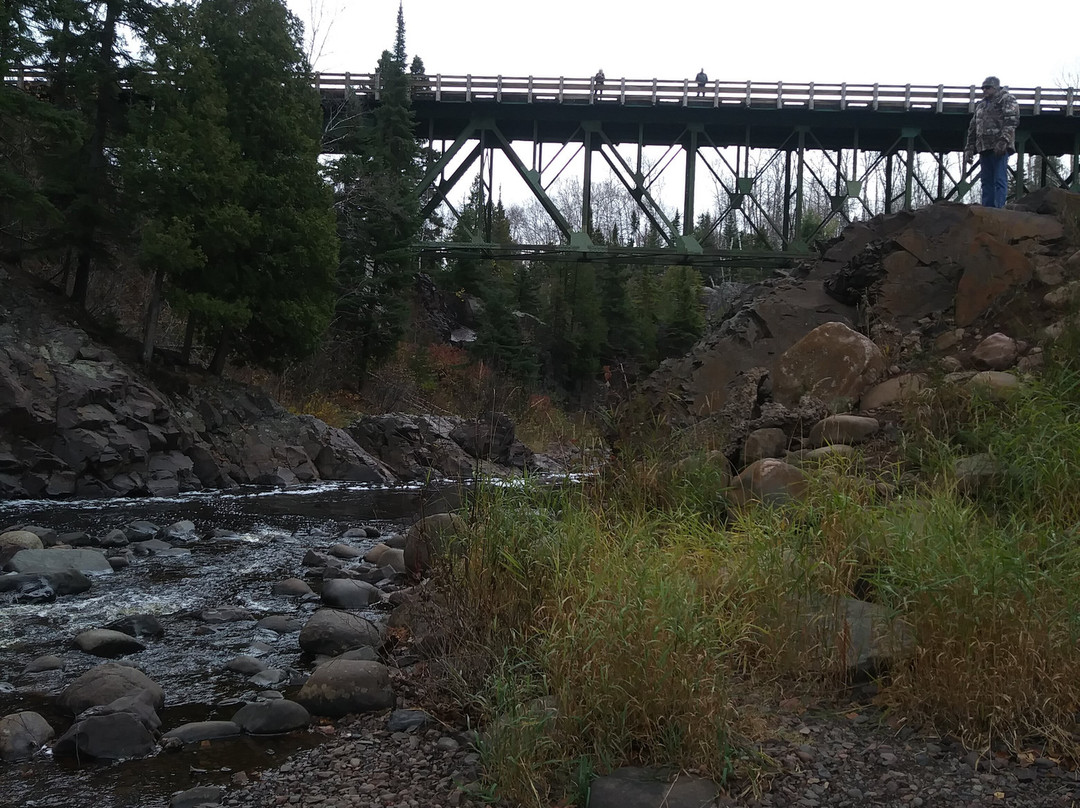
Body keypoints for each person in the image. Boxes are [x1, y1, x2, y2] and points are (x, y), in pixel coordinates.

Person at [963, 75, 1019, 208]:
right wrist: (969, 148)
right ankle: (987, 209)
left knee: (999, 179)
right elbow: (973, 127)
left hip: (999, 146)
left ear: (996, 87)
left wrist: (1003, 140)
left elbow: (1012, 120)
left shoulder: (1007, 99)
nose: (984, 90)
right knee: (986, 181)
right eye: (983, 88)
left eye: (987, 87)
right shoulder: (980, 105)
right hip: (984, 147)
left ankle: (999, 209)